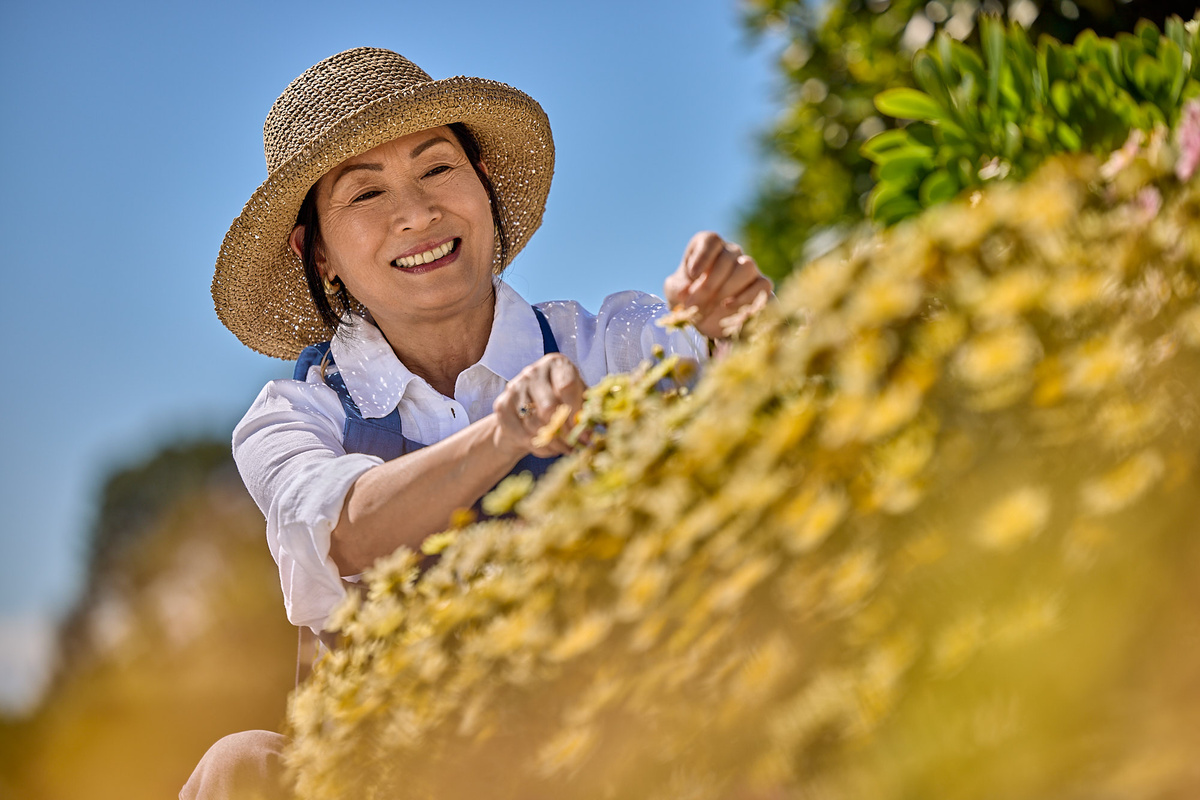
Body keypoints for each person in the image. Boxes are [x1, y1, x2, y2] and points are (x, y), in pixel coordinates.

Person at [183, 46, 771, 799]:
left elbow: (762, 409)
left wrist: (740, 325)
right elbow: (344, 527)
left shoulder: (611, 346)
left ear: (484, 184)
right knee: (238, 766)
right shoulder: (298, 418)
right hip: (394, 775)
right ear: (318, 252)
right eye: (366, 195)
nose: (418, 214)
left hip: (615, 755)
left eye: (437, 169)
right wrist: (507, 432)